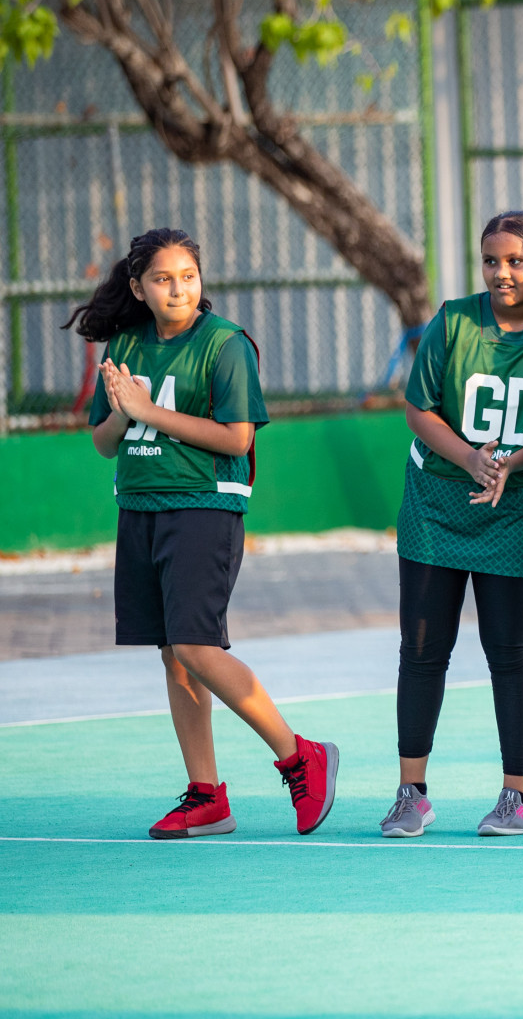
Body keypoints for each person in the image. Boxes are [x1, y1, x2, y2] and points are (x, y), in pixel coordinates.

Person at [67, 228, 337, 839]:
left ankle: (300, 754)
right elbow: (104, 442)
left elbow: (237, 438)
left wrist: (148, 411)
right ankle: (206, 794)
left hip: (204, 505)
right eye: (163, 279)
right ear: (138, 287)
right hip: (139, 506)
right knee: (174, 655)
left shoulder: (225, 345)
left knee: (195, 645)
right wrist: (119, 412)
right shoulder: (127, 342)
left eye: (188, 275)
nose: (179, 288)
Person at [378, 211, 523, 838]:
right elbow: (419, 409)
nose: (501, 272)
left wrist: (508, 466)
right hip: (435, 507)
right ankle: (411, 792)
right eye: (492, 260)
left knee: (512, 653)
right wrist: (472, 459)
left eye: (516, 262)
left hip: (515, 508)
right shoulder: (454, 319)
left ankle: (515, 796)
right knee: (421, 651)